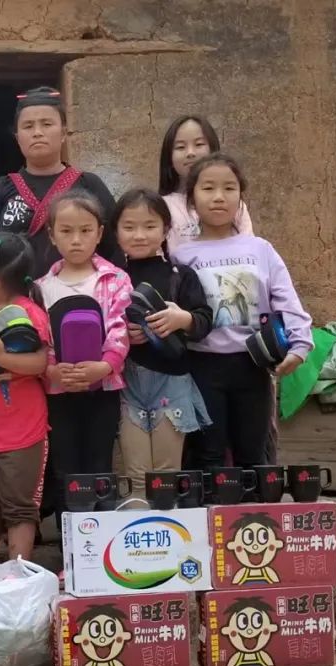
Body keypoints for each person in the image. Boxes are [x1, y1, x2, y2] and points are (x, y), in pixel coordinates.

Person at [171, 153, 312, 468]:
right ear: (192, 199)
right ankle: (212, 514)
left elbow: (286, 300)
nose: (219, 197)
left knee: (253, 450)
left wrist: (300, 346)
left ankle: (255, 514)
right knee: (208, 452)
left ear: (240, 196)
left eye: (229, 188)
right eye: (208, 188)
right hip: (201, 366)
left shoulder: (259, 249)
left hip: (253, 366)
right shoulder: (181, 256)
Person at [36, 190, 131, 516]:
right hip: (58, 392)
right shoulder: (40, 288)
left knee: (99, 462)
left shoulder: (115, 279)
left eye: (85, 230)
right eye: (66, 231)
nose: (76, 240)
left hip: (103, 390)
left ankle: (101, 541)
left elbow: (120, 329)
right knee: (65, 465)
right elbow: (40, 338)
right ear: (51, 234)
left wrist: (104, 366)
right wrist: (50, 370)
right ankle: (71, 548)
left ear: (100, 233)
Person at [112, 188, 212, 495]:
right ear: (115, 232)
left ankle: (170, 540)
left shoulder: (180, 275)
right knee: (137, 475)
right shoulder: (112, 277)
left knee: (166, 475)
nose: (139, 235)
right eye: (129, 227)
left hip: (172, 382)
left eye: (150, 226)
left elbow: (204, 320)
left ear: (166, 229)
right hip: (127, 382)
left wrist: (181, 319)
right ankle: (140, 538)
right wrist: (123, 335)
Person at [0, 232, 52, 567]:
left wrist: (1, 358)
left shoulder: (27, 312)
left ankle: (18, 578)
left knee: (19, 507)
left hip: (23, 431)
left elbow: (40, 363)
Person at [0, 86, 118, 277]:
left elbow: (114, 248)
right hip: (16, 300)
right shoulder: (1, 188)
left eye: (47, 124)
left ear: (64, 133)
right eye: (28, 126)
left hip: (79, 298)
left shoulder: (89, 185)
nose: (37, 132)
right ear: (17, 138)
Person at [159, 115, 254, 253]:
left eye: (199, 144)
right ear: (169, 158)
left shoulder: (234, 205)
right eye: (180, 147)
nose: (190, 153)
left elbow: (250, 251)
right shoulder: (163, 207)